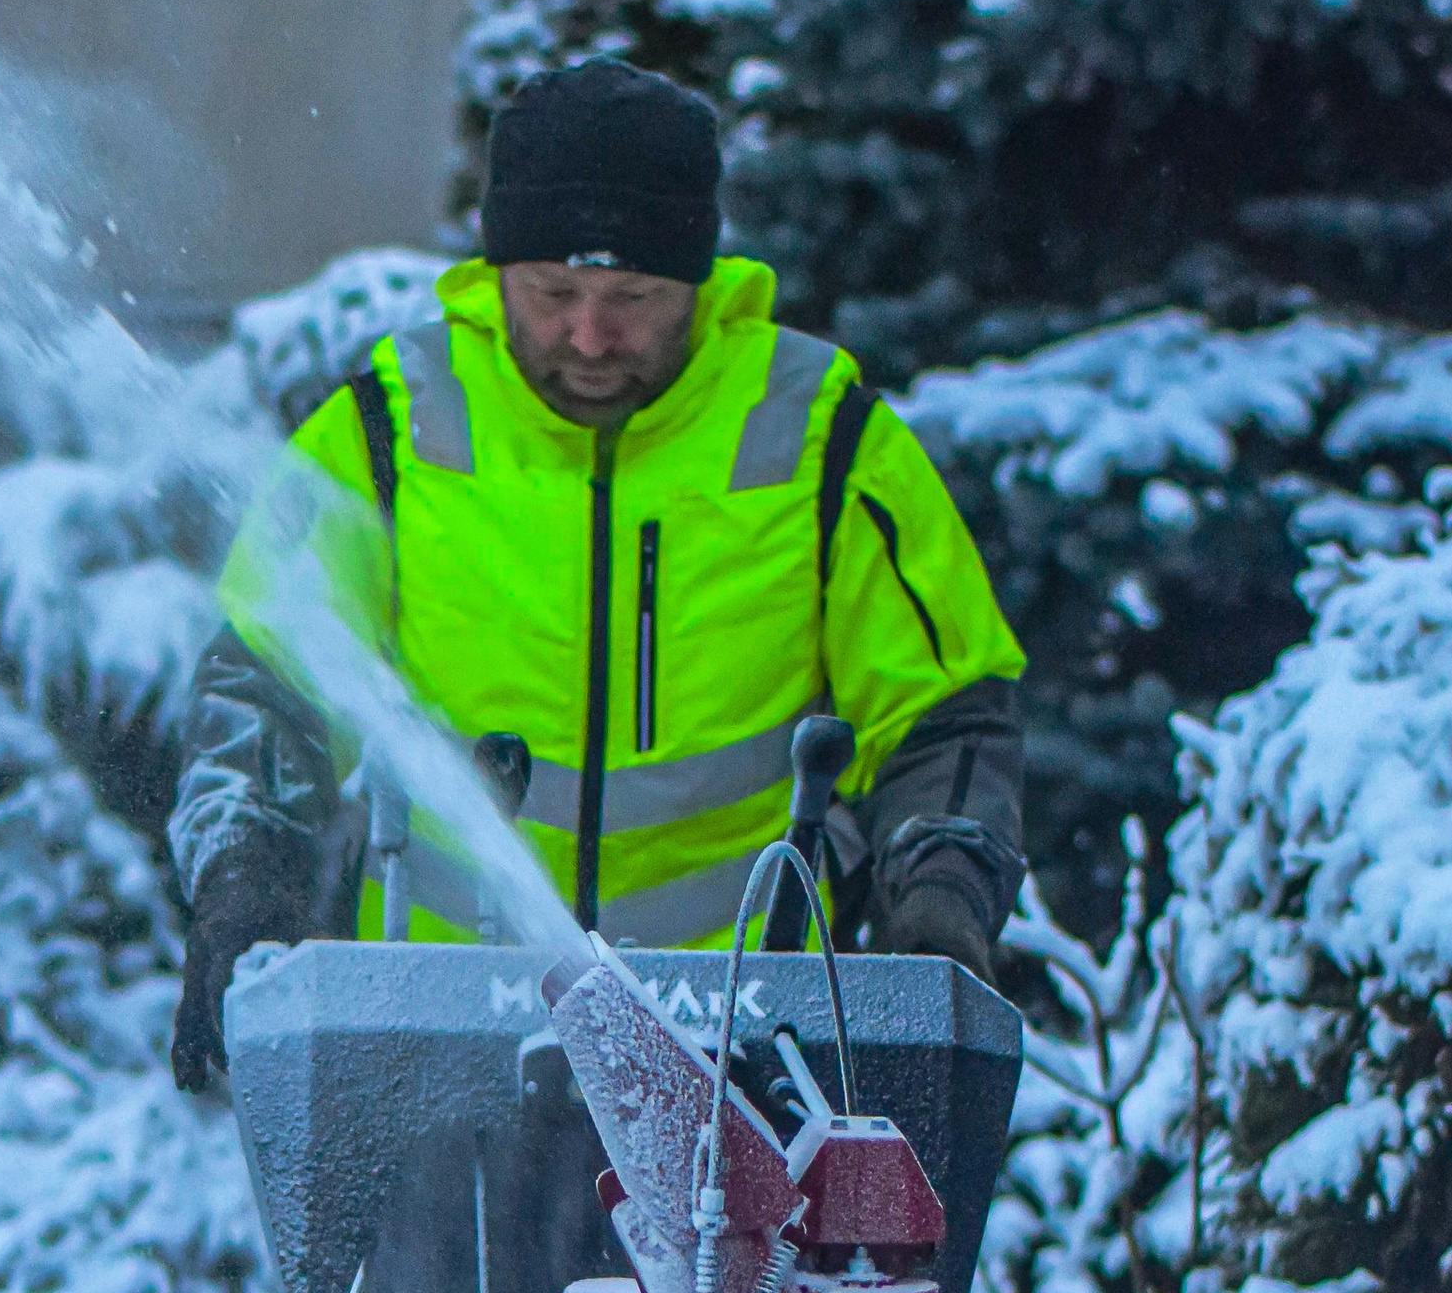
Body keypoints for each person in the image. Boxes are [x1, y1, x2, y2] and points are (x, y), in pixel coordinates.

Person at [169, 59, 1026, 1090]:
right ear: (497, 274)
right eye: (553, 293)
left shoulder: (822, 441)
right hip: (438, 1047)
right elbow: (264, 687)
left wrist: (940, 896)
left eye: (632, 296)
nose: (587, 335)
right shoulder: (388, 436)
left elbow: (947, 719)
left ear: (698, 281)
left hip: (752, 1058)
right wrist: (241, 883)